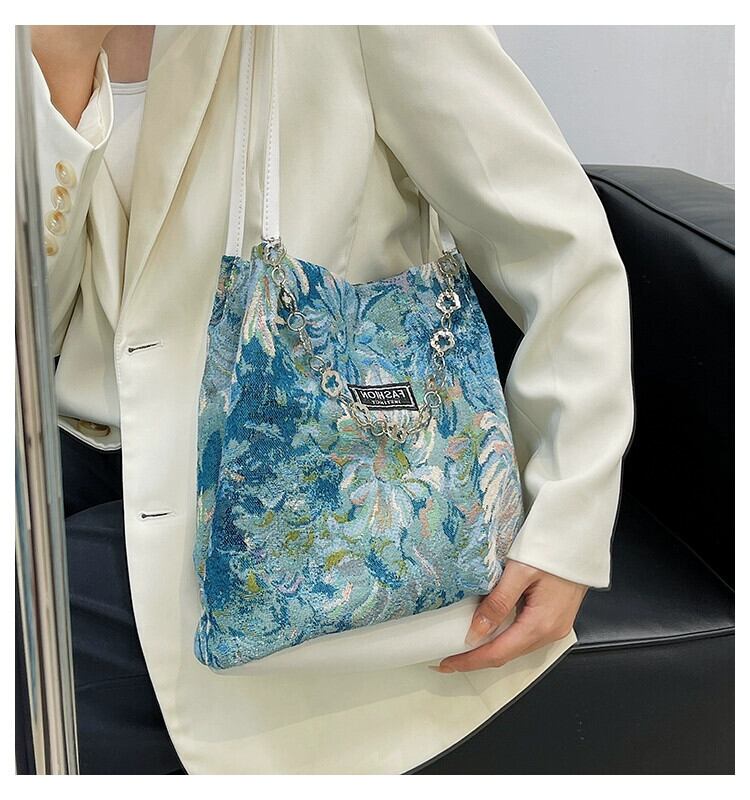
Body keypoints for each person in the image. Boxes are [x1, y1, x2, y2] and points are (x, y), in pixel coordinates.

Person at [28, 25, 635, 774]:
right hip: (83, 436)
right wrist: (59, 74)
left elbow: (559, 246)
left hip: (312, 483)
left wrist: (569, 524)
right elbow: (35, 321)